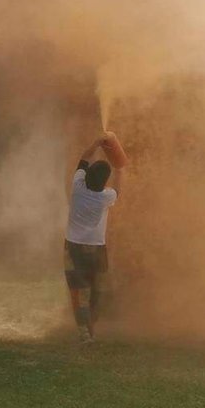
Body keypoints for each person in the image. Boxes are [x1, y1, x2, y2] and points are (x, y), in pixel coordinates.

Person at [64, 134, 124, 344]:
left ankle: (84, 331)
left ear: (87, 175)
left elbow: (84, 157)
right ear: (103, 183)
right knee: (96, 290)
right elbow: (118, 190)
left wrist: (96, 143)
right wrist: (119, 168)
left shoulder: (77, 186)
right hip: (96, 249)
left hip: (73, 248)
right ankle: (91, 328)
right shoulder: (105, 197)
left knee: (78, 290)